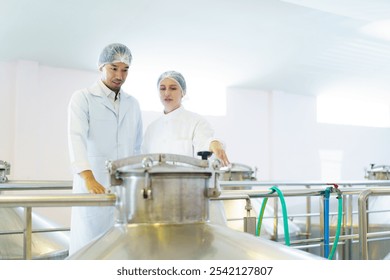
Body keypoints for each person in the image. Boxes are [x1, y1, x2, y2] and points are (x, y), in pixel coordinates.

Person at [67, 43, 143, 254]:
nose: (119, 75)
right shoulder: (82, 98)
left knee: (120, 251)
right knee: (89, 250)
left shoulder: (133, 104)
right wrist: (89, 178)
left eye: (125, 69)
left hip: (124, 191)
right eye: (113, 68)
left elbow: (136, 148)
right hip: (93, 185)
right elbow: (76, 138)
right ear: (101, 67)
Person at [142, 70, 230, 166]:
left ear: (183, 92)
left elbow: (203, 145)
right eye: (162, 88)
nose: (166, 93)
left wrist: (213, 143)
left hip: (186, 180)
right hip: (155, 180)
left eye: (173, 88)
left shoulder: (196, 122)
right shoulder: (152, 128)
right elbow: (144, 160)